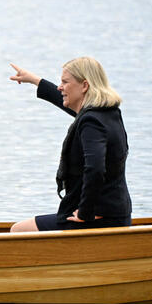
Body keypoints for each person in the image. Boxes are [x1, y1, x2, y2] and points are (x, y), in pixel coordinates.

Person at [8, 57, 131, 232]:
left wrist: (85, 213)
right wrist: (35, 80)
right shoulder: (108, 113)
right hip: (116, 214)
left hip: (97, 220)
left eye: (65, 82)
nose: (60, 87)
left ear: (85, 86)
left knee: (19, 230)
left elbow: (95, 168)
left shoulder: (91, 122)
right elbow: (68, 102)